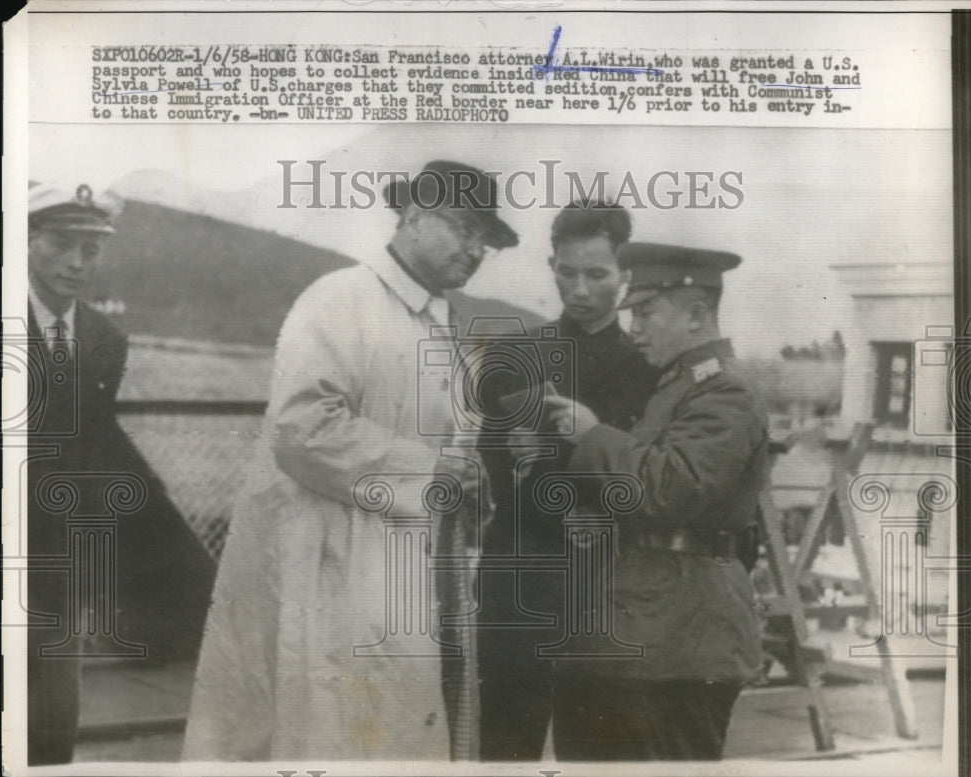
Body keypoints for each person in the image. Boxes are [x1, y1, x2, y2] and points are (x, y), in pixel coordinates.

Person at [182, 160, 518, 761]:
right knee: (328, 732)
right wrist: (431, 471)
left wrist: (466, 475)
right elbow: (301, 427)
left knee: (391, 731)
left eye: (484, 240)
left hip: (404, 569)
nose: (475, 250)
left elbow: (441, 443)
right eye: (464, 228)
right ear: (413, 216)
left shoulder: (441, 325)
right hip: (328, 561)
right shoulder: (341, 298)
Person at [543, 242, 767, 761]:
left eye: (645, 312)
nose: (635, 327)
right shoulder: (678, 387)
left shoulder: (725, 391)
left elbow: (671, 489)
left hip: (678, 641)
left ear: (695, 315)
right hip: (644, 631)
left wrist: (592, 436)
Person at [25, 182, 216, 764]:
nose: (77, 262)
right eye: (63, 243)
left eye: (92, 248)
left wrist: (189, 569)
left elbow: (100, 446)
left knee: (53, 724)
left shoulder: (105, 339)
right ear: (27, 240)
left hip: (56, 571)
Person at [476, 201, 661, 760]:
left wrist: (556, 453)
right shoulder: (513, 356)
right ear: (551, 263)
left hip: (607, 588)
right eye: (566, 271)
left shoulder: (652, 371)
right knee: (504, 748)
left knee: (601, 752)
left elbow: (646, 485)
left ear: (627, 278)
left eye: (598, 275)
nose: (578, 289)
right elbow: (500, 468)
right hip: (519, 579)